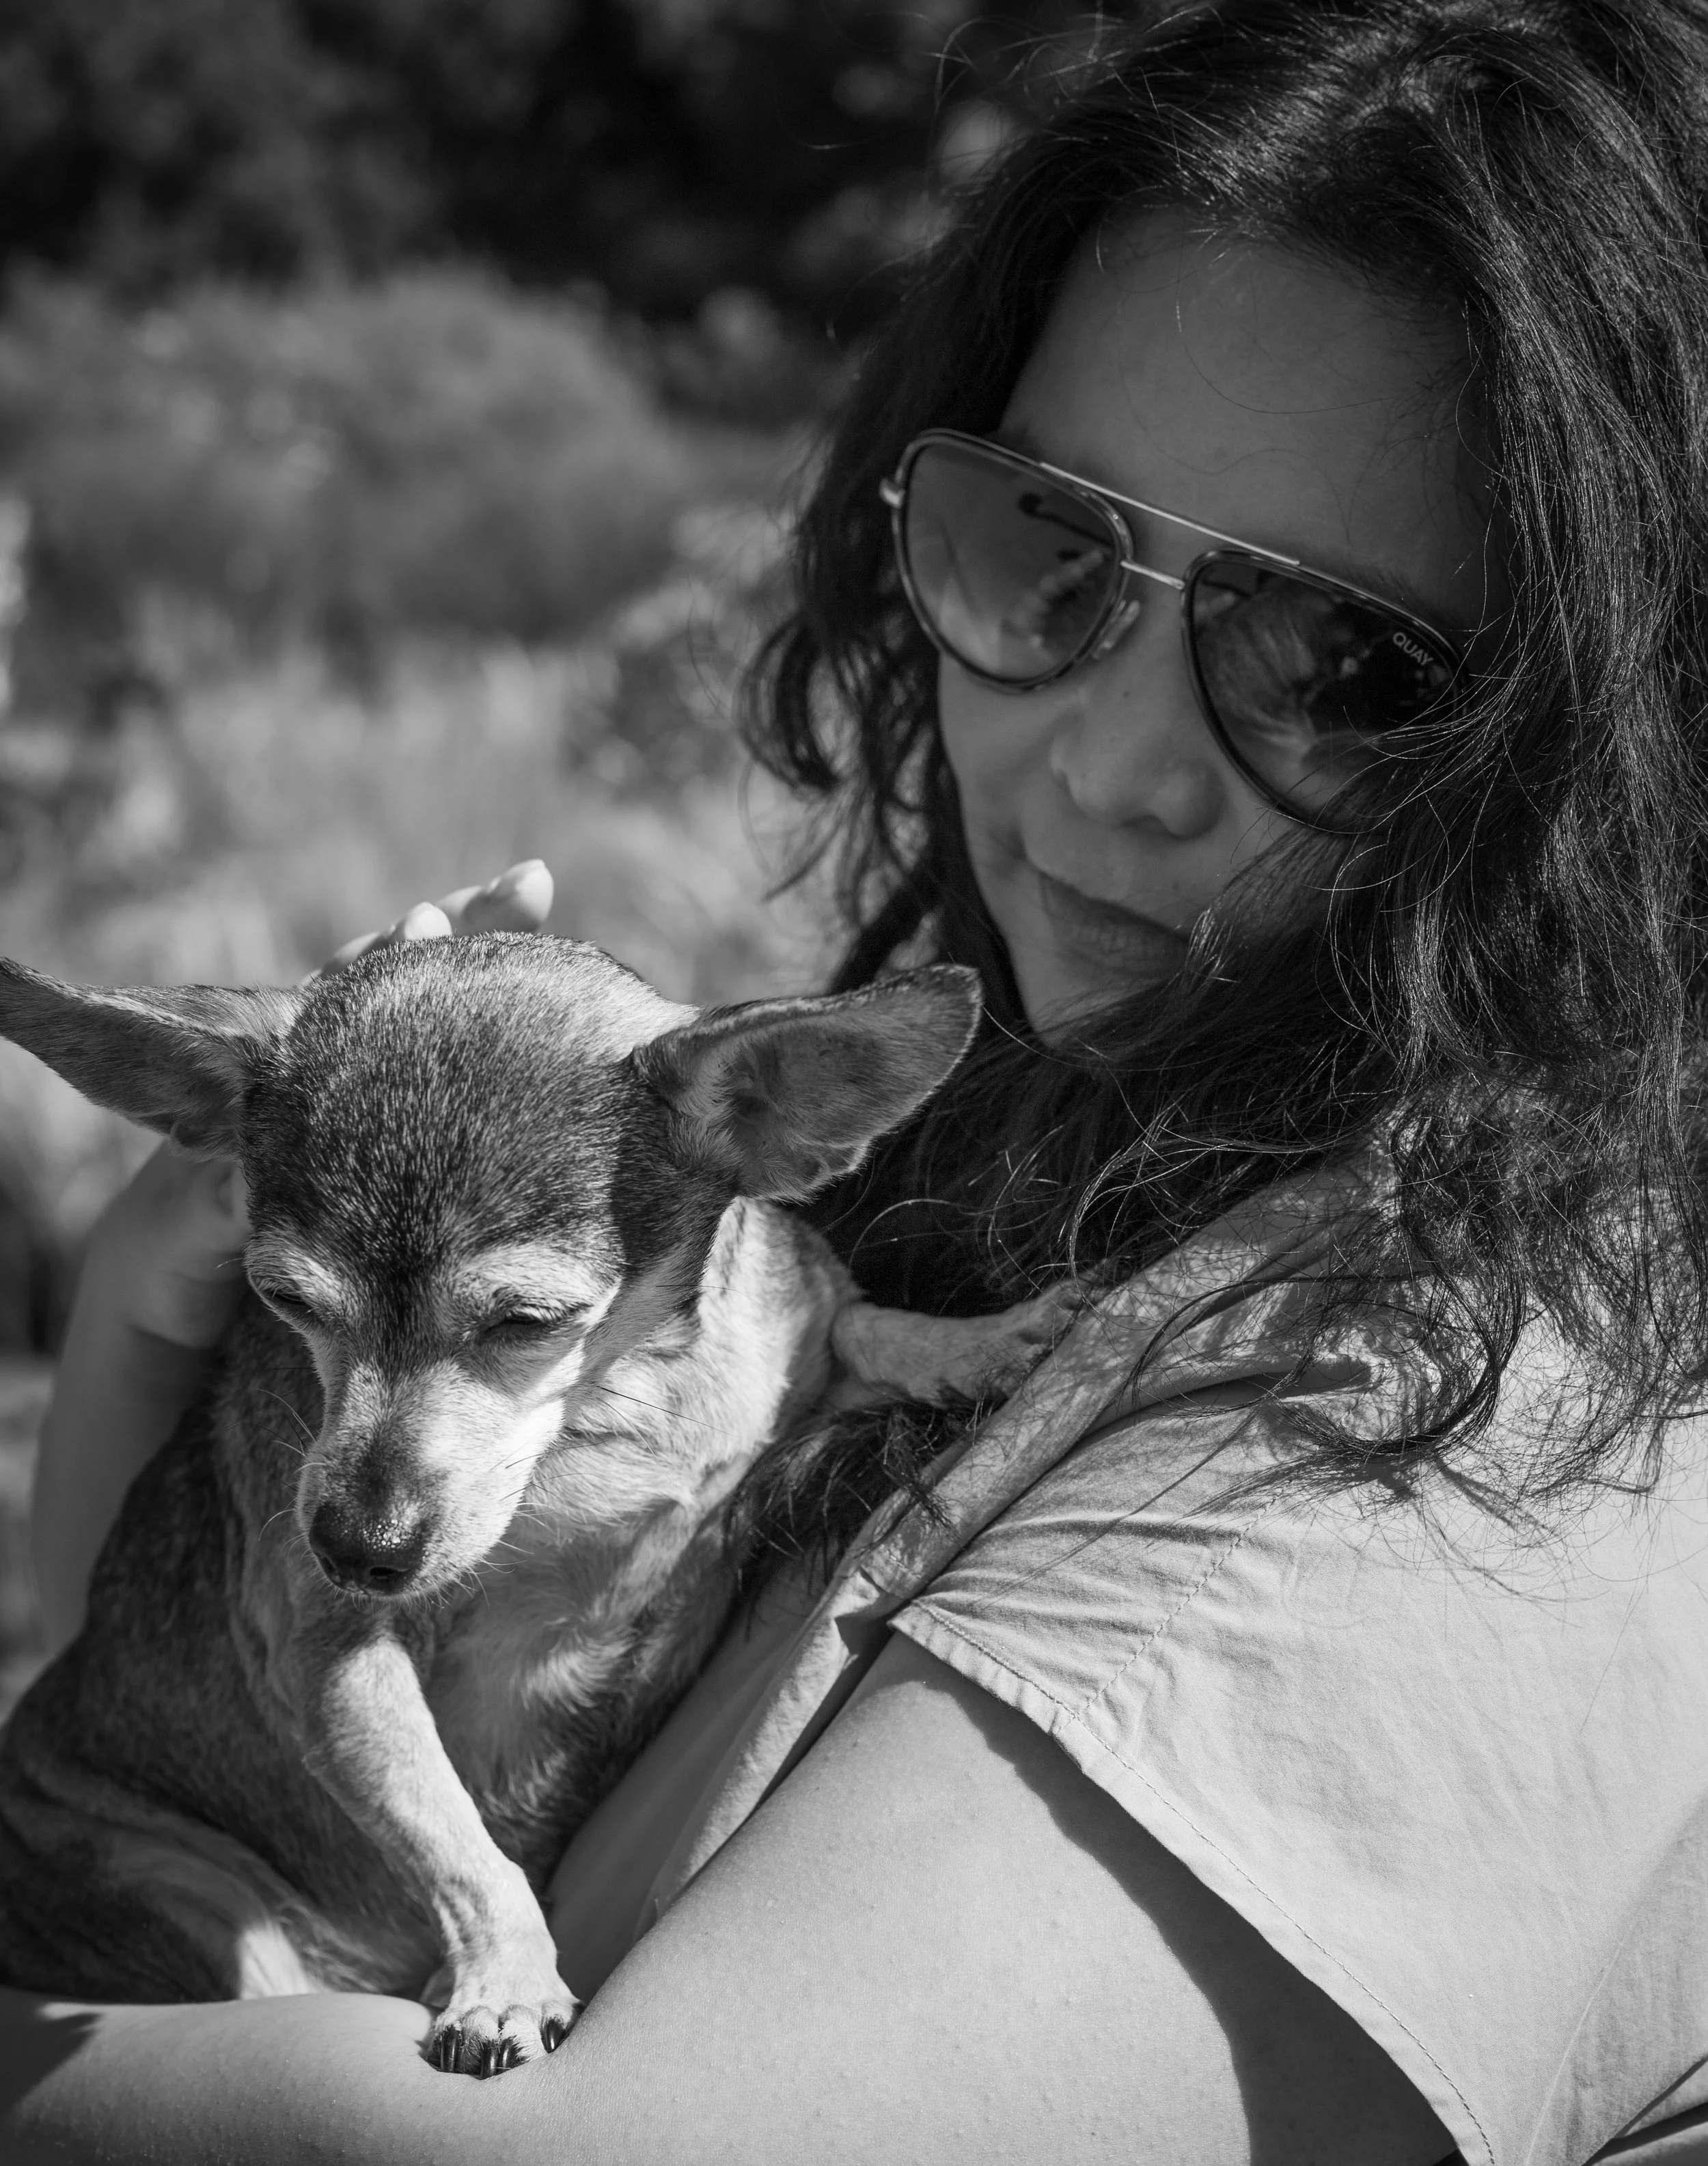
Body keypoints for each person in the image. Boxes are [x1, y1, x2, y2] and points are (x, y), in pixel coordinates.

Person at [5, 3, 1708, 2159]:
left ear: (1624, 740)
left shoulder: (1478, 1441)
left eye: (1338, 665)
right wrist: (177, 1392)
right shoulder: (1056, 1153)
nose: (1104, 758)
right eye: (1048, 550)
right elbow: (227, 1753)